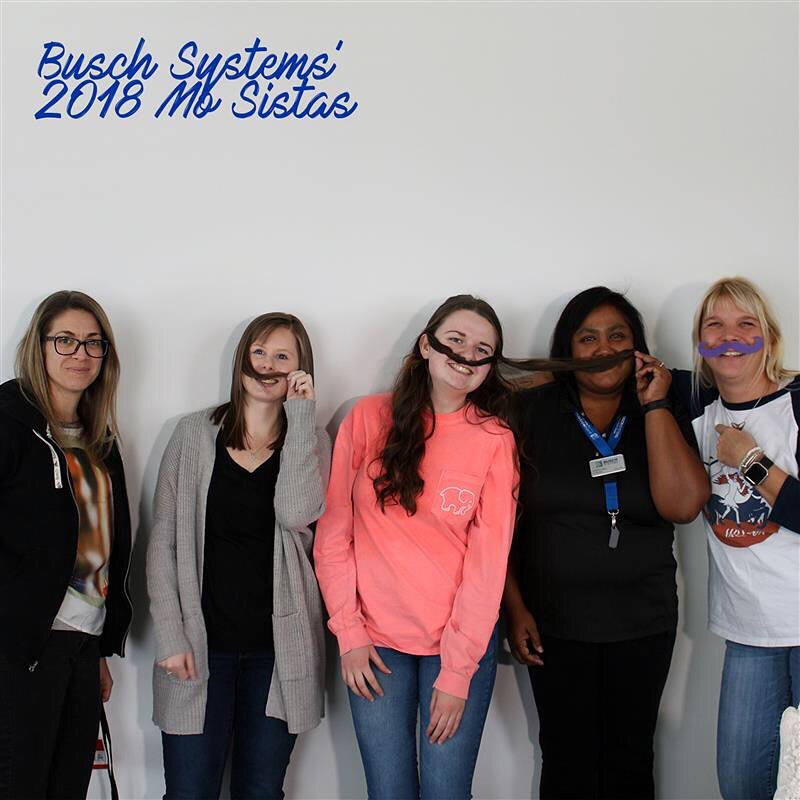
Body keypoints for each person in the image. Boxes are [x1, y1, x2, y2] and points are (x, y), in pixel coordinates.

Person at [504, 286, 709, 800]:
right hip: (553, 622)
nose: (603, 348)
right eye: (588, 338)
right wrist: (514, 607)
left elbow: (684, 506)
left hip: (643, 620)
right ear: (567, 349)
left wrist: (655, 403)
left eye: (617, 336)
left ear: (637, 346)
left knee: (630, 758)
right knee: (565, 758)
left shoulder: (659, 408)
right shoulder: (530, 412)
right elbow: (496, 524)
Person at [314, 294, 518, 800]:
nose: (466, 356)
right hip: (374, 641)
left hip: (458, 645)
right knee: (388, 792)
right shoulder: (367, 418)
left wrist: (458, 671)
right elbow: (334, 534)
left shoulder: (494, 440)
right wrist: (349, 633)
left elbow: (488, 565)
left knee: (447, 793)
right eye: (456, 340)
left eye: (482, 349)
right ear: (426, 345)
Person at [146, 313, 330, 800]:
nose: (267, 364)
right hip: (198, 648)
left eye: (282, 356)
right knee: (188, 792)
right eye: (259, 352)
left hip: (277, 655)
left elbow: (295, 514)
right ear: (242, 359)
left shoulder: (312, 441)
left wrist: (301, 418)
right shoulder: (192, 434)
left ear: (300, 370)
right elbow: (162, 542)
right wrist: (170, 635)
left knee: (261, 792)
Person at [0, 290, 132, 800]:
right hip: (23, 647)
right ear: (39, 346)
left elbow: (109, 544)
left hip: (81, 644)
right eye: (66, 340)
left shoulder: (101, 439)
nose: (81, 354)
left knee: (68, 789)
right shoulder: (8, 423)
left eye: (94, 343)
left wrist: (98, 646)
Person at [672, 277, 800, 800]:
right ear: (700, 342)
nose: (730, 338)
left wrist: (750, 461)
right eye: (715, 326)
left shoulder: (796, 405)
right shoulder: (695, 406)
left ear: (769, 337)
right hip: (749, 632)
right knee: (741, 783)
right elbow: (608, 372)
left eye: (746, 324)